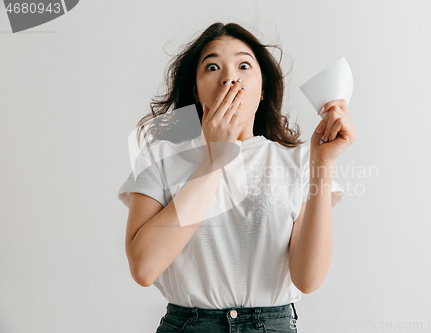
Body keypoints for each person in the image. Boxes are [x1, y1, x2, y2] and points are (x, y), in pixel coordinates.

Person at [117, 22, 356, 333]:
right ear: (195, 90)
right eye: (213, 67)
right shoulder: (160, 156)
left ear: (262, 90)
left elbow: (308, 279)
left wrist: (322, 164)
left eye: (244, 65)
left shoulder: (298, 160)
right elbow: (144, 268)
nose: (230, 77)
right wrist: (214, 161)